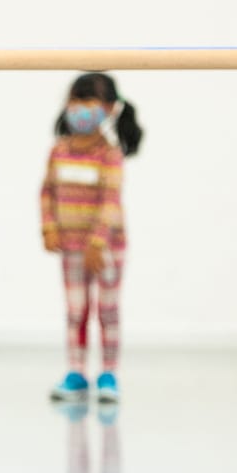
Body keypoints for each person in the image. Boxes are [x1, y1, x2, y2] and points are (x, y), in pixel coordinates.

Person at [41, 72, 142, 404]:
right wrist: (49, 227)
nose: (81, 108)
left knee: (107, 310)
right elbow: (47, 191)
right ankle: (76, 372)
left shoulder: (109, 155)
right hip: (70, 248)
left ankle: (109, 373)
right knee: (75, 310)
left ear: (109, 108)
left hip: (106, 249)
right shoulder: (59, 150)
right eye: (76, 100)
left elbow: (110, 200)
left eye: (90, 101)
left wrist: (97, 243)